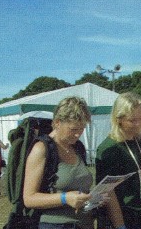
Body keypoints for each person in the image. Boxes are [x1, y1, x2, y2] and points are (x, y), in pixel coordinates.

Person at [23, 96, 123, 229]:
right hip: (55, 225)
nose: (78, 135)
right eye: (73, 129)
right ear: (57, 122)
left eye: (81, 129)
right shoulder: (41, 149)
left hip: (85, 224)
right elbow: (29, 198)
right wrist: (65, 198)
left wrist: (93, 198)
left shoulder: (77, 147)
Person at [96, 92, 141, 229]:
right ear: (119, 119)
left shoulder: (138, 142)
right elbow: (108, 191)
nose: (138, 124)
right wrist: (120, 225)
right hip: (121, 218)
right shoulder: (109, 148)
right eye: (132, 120)